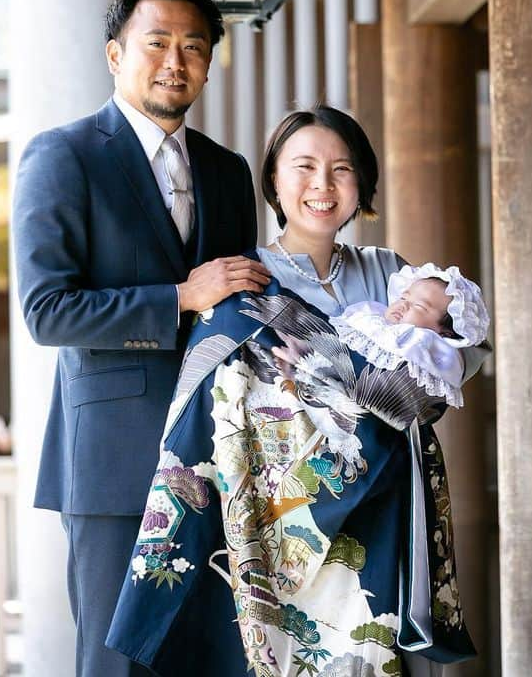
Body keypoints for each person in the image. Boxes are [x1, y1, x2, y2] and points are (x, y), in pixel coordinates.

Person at [104, 105, 488, 675]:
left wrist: (326, 370)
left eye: (341, 169)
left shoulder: (394, 273)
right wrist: (348, 380)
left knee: (362, 653)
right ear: (274, 182)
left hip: (374, 509)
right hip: (273, 511)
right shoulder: (243, 278)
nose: (322, 185)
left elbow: (440, 374)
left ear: (362, 183)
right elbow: (221, 392)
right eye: (303, 167)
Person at [12, 0, 270, 677]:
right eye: (155, 43)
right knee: (118, 663)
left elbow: (241, 309)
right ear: (115, 55)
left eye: (193, 46)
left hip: (219, 461)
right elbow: (47, 311)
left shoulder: (226, 170)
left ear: (210, 63)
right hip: (113, 465)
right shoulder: (64, 156)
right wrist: (180, 296)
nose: (174, 61)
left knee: (214, 659)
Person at [330, 262, 490, 408]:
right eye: (403, 297)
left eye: (419, 306)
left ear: (444, 333)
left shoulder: (424, 345)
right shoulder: (372, 316)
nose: (404, 304)